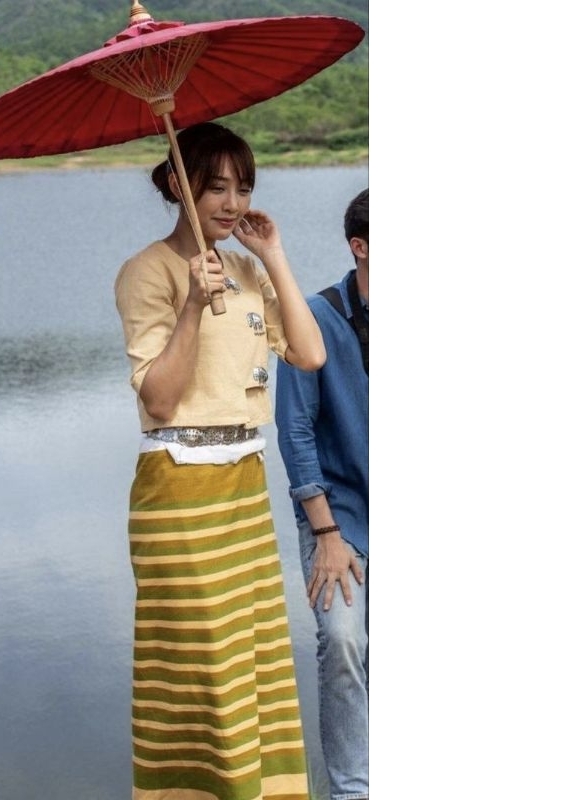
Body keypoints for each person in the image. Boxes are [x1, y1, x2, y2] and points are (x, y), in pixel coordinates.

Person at [114, 121, 326, 800]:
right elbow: (160, 399)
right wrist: (191, 309)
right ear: (180, 187)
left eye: (244, 188)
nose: (234, 203)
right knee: (198, 664)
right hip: (179, 487)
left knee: (252, 656)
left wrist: (274, 255)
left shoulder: (245, 270)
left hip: (243, 484)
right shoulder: (147, 271)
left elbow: (309, 354)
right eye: (217, 187)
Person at [275, 188, 369, 800]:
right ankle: (352, 791)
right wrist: (327, 534)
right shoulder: (314, 316)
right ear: (361, 247)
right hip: (339, 516)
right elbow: (295, 430)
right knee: (341, 640)